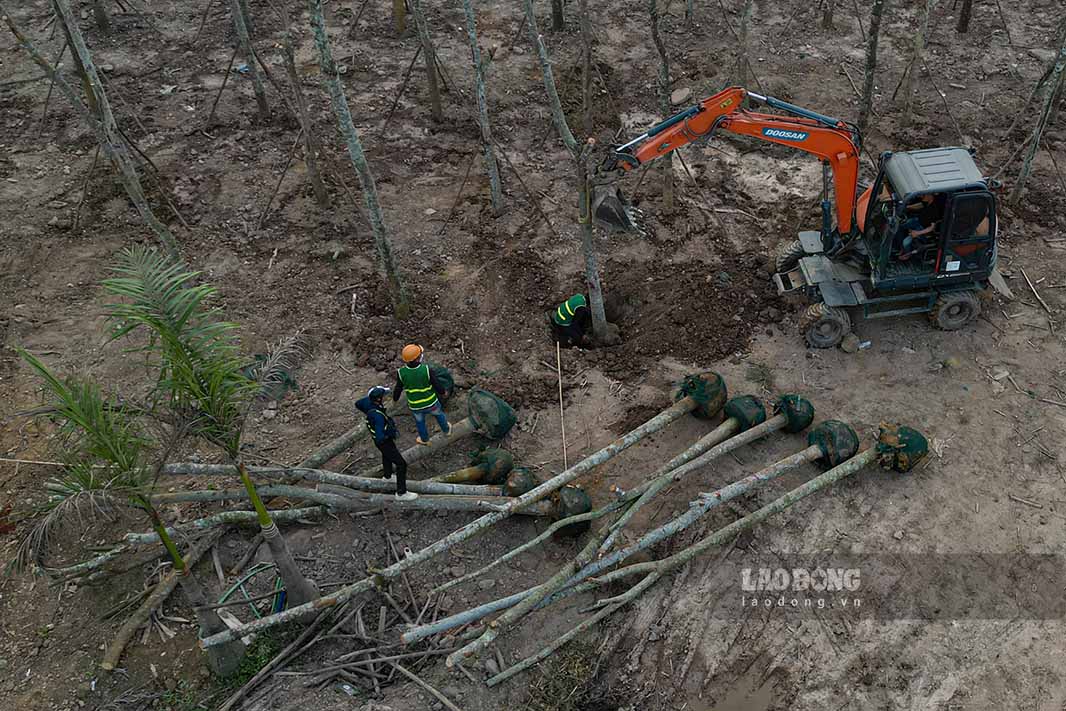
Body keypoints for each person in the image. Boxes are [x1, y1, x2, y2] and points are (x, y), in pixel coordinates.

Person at [355, 386, 417, 501]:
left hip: (382, 443)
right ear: (378, 399)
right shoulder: (378, 416)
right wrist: (386, 435)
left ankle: (387, 476)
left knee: (386, 456)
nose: (385, 397)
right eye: (383, 396)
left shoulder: (368, 404)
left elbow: (357, 403)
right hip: (384, 442)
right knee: (401, 464)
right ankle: (401, 493)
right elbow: (379, 436)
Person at [393, 344, 451, 445]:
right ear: (417, 358)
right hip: (431, 402)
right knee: (439, 415)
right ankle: (446, 430)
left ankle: (425, 439)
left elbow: (398, 388)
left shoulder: (401, 372)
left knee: (420, 422)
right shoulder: (427, 369)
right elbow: (436, 383)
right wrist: (443, 392)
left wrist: (395, 398)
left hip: (415, 405)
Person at [899, 193, 945, 259]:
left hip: (922, 228)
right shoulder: (927, 202)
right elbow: (920, 205)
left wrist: (917, 233)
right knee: (900, 227)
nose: (922, 196)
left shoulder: (935, 210)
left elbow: (932, 227)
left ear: (930, 196)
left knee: (906, 242)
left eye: (924, 195)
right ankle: (902, 248)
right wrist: (907, 207)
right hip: (918, 221)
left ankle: (907, 255)